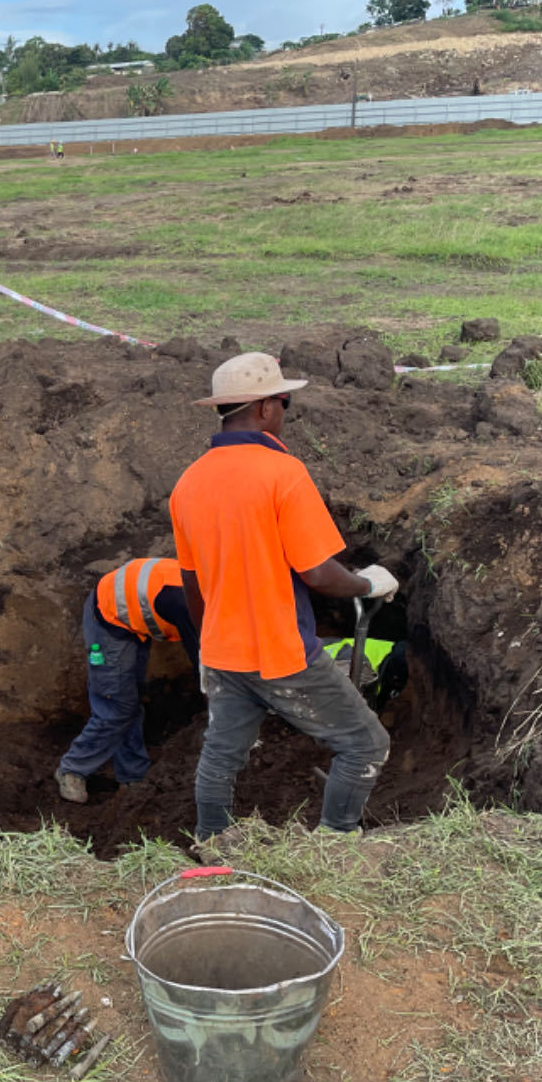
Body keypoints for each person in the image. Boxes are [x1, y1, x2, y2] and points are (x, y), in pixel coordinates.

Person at [168, 353, 400, 839]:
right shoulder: (282, 473)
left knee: (221, 756)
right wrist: (369, 584)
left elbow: (192, 585)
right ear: (265, 408)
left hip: (223, 651)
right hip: (279, 651)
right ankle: (336, 844)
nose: (284, 412)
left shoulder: (188, 484)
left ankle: (212, 842)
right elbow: (317, 572)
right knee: (365, 745)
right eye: (284, 402)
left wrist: (210, 649)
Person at [55, 558, 201, 803]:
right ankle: (72, 769)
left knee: (129, 699)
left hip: (133, 608)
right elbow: (204, 667)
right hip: (109, 615)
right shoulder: (188, 605)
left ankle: (132, 776)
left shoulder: (212, 592)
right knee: (117, 706)